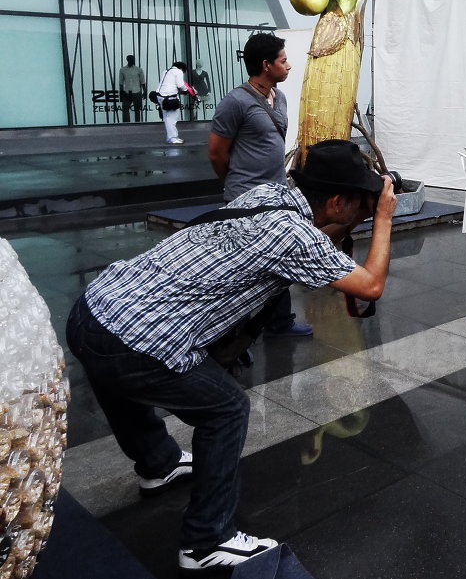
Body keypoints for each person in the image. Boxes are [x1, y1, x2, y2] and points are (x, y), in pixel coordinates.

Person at [65, 140, 397, 573]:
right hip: (135, 337)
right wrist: (385, 219)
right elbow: (370, 285)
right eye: (360, 205)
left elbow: (307, 245)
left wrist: (352, 216)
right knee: (226, 409)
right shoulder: (293, 235)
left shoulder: (268, 195)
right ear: (335, 201)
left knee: (114, 367)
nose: (365, 212)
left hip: (93, 311)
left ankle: (158, 464)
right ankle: (205, 541)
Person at [208, 32, 307, 337]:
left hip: (276, 195)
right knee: (240, 266)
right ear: (266, 65)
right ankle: (231, 330)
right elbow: (216, 153)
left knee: (278, 258)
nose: (288, 65)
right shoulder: (235, 102)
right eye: (283, 59)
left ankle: (279, 322)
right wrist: (238, 184)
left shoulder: (282, 98)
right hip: (244, 199)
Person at [156, 61, 194, 144]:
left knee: (166, 117)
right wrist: (187, 90)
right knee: (172, 117)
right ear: (182, 69)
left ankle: (170, 137)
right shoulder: (178, 71)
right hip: (169, 97)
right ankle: (173, 138)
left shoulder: (165, 71)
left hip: (160, 96)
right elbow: (180, 85)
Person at [118, 55, 146, 123]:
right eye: (131, 59)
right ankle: (126, 124)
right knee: (125, 109)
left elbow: (142, 81)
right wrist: (122, 93)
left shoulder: (138, 69)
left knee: (137, 109)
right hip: (127, 92)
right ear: (127, 60)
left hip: (137, 91)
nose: (133, 61)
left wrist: (145, 92)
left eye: (133, 59)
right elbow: (121, 82)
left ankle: (137, 123)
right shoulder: (122, 70)